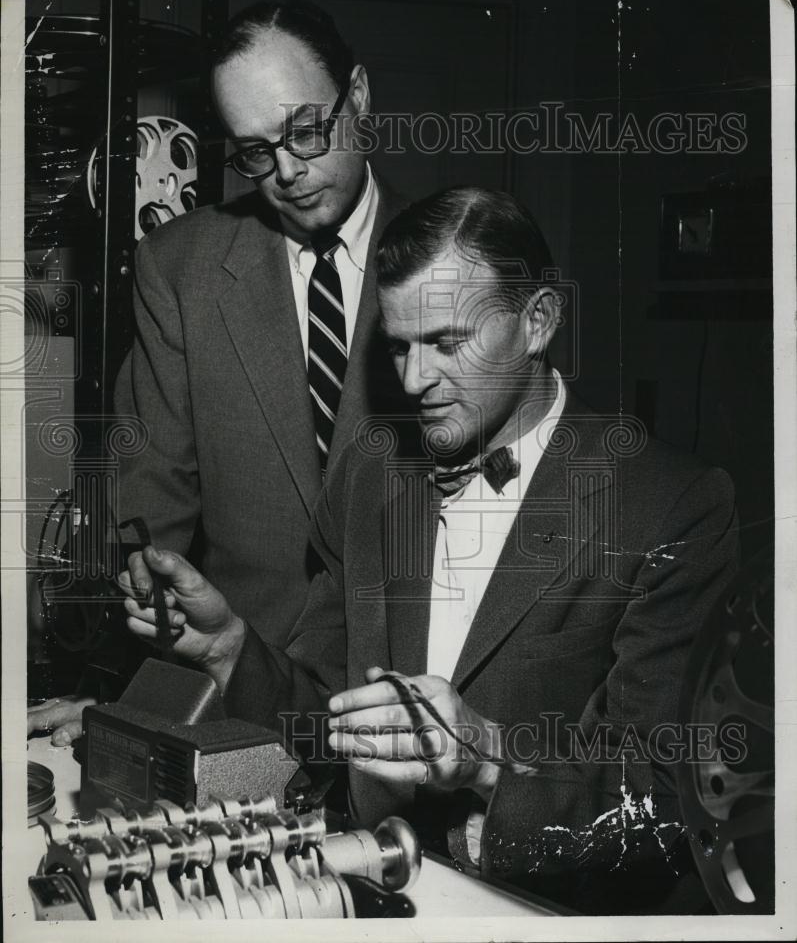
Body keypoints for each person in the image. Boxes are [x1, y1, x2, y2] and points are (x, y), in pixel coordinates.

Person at [120, 187, 739, 913]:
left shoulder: (670, 505)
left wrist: (485, 756)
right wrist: (229, 648)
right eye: (398, 347)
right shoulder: (370, 475)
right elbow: (326, 725)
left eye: (447, 343)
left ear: (538, 320)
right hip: (364, 883)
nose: (415, 382)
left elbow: (656, 803)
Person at [27, 0, 408, 745]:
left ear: (358, 97)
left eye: (304, 130)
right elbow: (151, 505)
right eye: (253, 151)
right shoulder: (181, 268)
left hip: (402, 696)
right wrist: (144, 704)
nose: (288, 172)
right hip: (231, 691)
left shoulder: (457, 263)